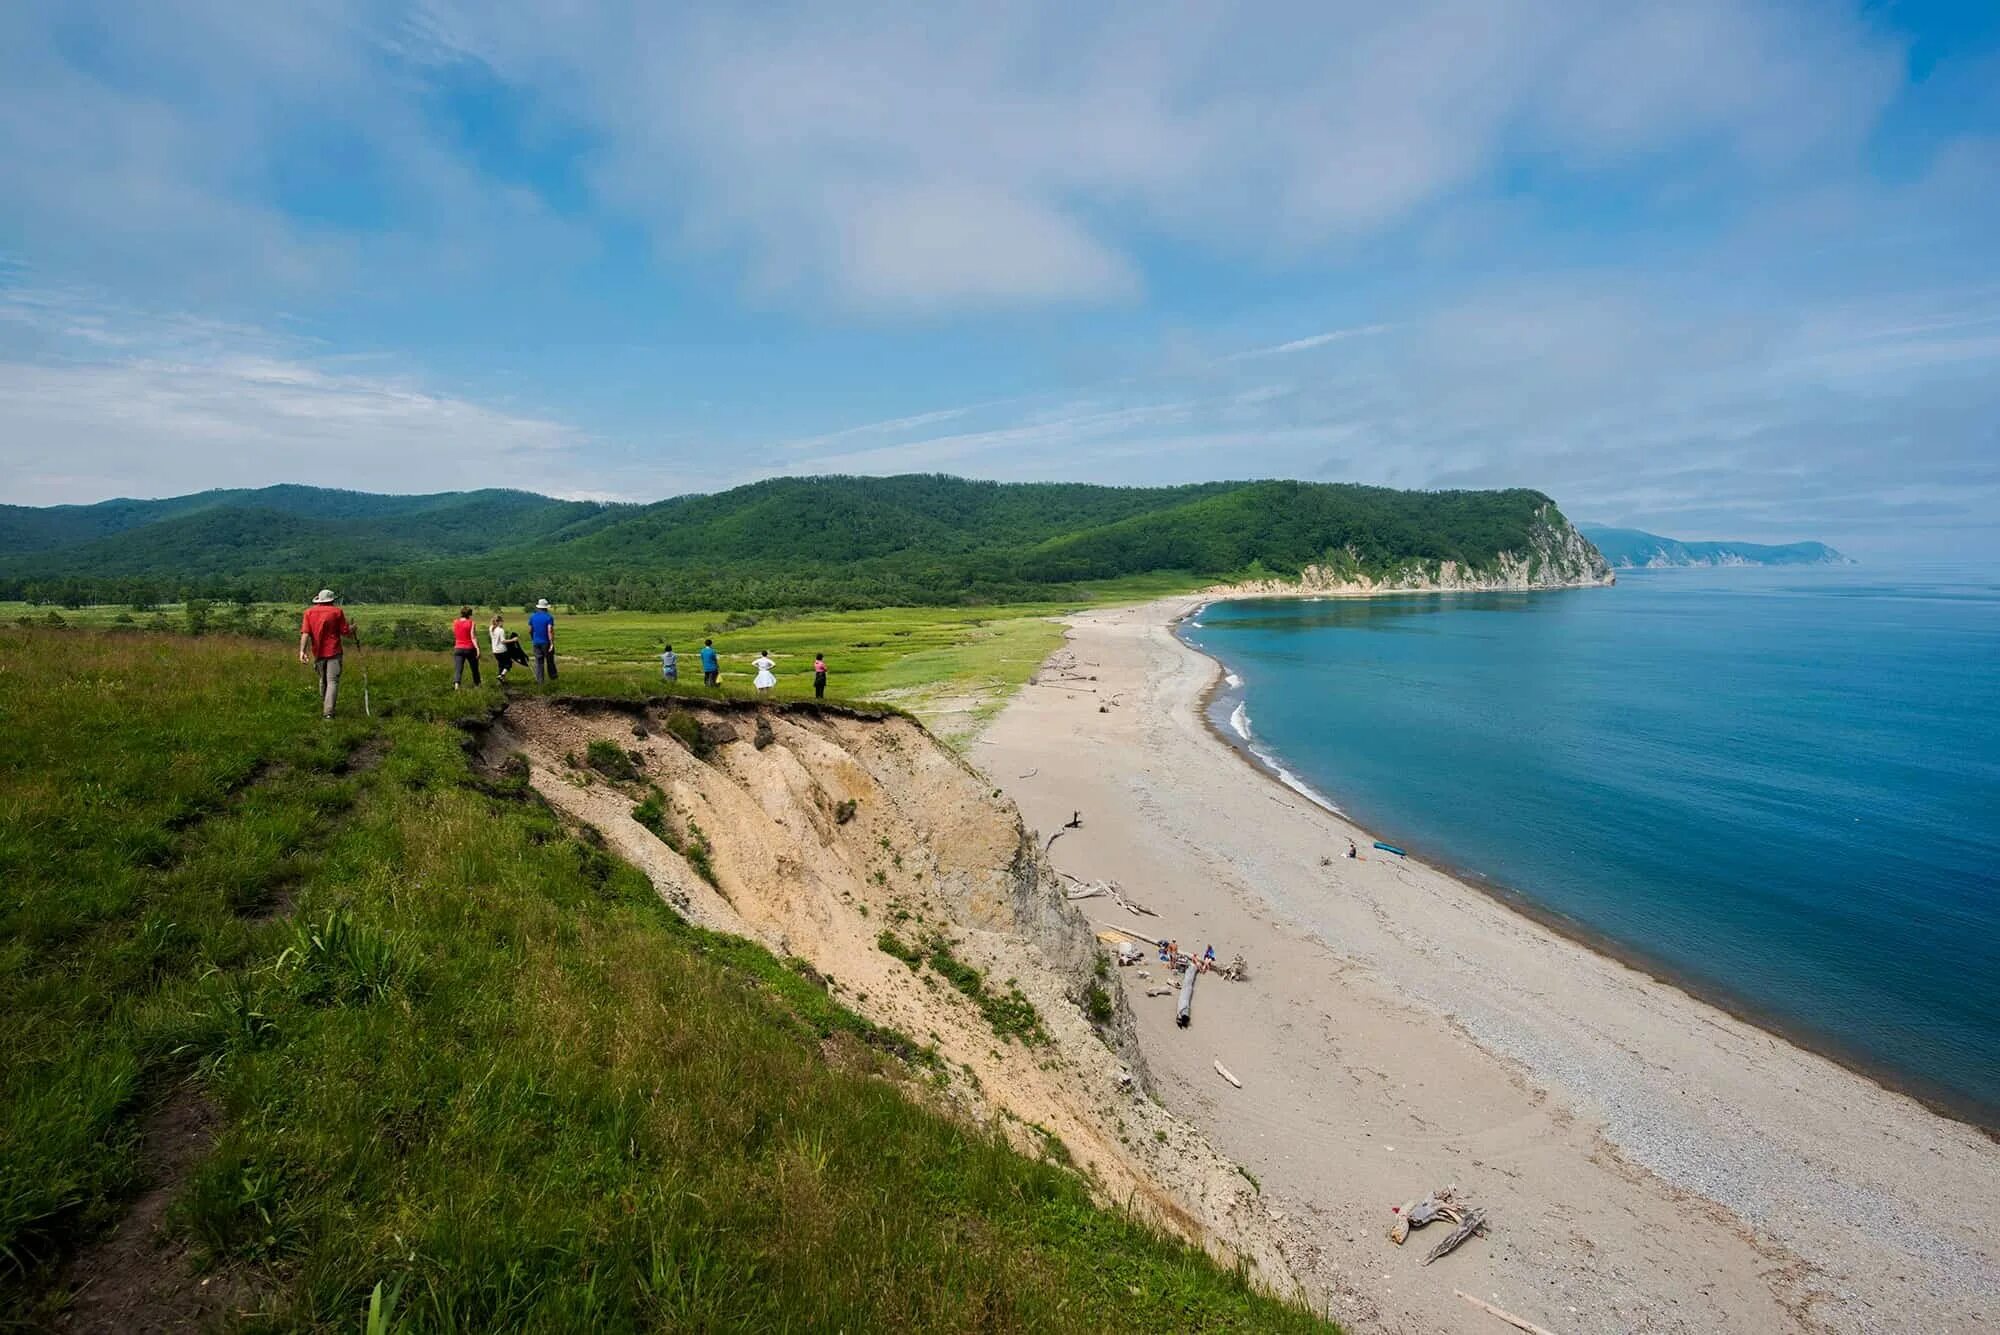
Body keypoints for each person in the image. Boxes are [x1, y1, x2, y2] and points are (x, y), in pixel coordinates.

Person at [297, 588, 356, 720]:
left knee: (323, 680)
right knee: (332, 681)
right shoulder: (337, 612)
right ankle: (328, 712)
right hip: (334, 651)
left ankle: (326, 705)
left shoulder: (309, 612)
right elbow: (345, 632)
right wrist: (353, 628)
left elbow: (305, 633)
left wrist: (302, 651)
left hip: (318, 652)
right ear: (332, 600)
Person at [490, 613, 529, 679]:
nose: (503, 623)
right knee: (509, 663)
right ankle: (502, 675)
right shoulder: (501, 630)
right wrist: (513, 640)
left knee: (501, 665)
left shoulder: (491, 628)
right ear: (499, 622)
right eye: (502, 622)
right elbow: (503, 641)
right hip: (502, 650)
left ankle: (501, 678)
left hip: (495, 651)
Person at [451, 606, 482, 689]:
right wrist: (478, 649)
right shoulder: (471, 623)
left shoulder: (455, 622)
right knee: (474, 668)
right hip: (470, 648)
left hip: (458, 648)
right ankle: (477, 685)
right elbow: (473, 637)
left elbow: (456, 634)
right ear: (470, 614)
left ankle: (457, 685)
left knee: (458, 669)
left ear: (461, 613)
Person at [528, 598, 557, 682]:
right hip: (546, 642)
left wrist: (533, 638)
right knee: (550, 661)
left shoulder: (532, 617)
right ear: (546, 608)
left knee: (539, 662)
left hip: (536, 642)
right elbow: (549, 630)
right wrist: (551, 643)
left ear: (538, 607)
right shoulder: (549, 617)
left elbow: (530, 630)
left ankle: (540, 681)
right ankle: (553, 678)